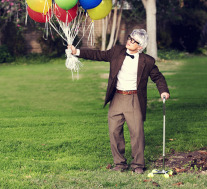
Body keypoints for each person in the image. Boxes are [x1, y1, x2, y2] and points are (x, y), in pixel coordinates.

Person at [67, 29, 170, 174]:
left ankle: (138, 164)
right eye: (130, 38)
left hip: (134, 99)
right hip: (117, 97)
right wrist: (76, 51)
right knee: (114, 131)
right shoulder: (117, 51)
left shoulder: (147, 61)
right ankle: (120, 163)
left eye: (134, 41)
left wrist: (163, 91)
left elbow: (158, 77)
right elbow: (98, 54)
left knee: (137, 133)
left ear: (140, 47)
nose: (130, 41)